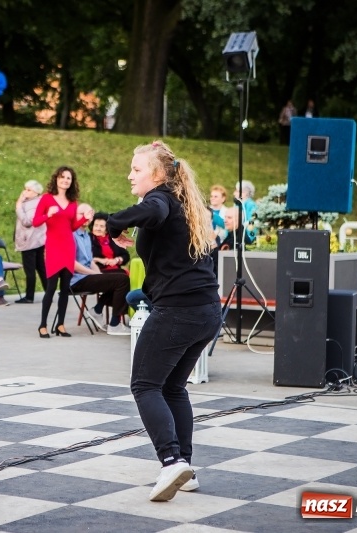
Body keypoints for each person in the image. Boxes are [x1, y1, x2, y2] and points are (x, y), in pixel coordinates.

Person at [107, 140, 221, 502]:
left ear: (157, 175)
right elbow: (164, 236)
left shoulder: (159, 199)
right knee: (173, 388)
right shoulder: (184, 204)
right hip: (206, 311)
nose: (130, 175)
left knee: (144, 385)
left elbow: (153, 212)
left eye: (136, 169)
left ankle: (170, 461)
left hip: (179, 311)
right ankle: (185, 469)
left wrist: (113, 223)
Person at [32, 166, 91, 338]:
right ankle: (42, 325)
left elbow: (71, 227)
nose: (65, 180)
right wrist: (48, 215)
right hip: (53, 248)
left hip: (68, 248)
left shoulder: (73, 203)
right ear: (56, 179)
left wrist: (85, 218)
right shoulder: (46, 199)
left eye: (68, 178)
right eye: (62, 177)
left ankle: (61, 325)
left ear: (72, 182)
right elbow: (35, 222)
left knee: (65, 289)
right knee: (50, 289)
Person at [72, 208, 131, 335]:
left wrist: (117, 259)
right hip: (97, 272)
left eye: (102, 226)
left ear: (106, 228)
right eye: (96, 225)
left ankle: (99, 310)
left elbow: (125, 255)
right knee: (122, 278)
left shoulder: (111, 239)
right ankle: (115, 322)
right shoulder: (89, 238)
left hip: (109, 271)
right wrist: (102, 260)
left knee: (123, 276)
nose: (98, 228)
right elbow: (86, 259)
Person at [14, 180, 47, 304]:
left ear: (36, 192)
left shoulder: (34, 204)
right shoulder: (34, 202)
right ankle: (48, 291)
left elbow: (27, 222)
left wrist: (18, 207)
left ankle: (29, 296)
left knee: (30, 269)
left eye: (28, 190)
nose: (24, 191)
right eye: (25, 188)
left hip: (29, 240)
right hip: (38, 239)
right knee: (40, 267)